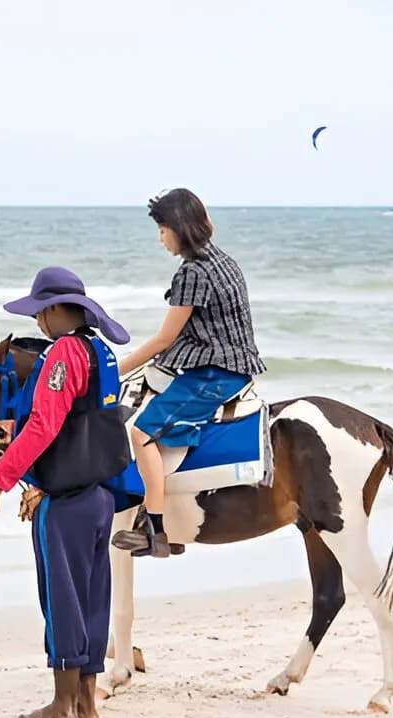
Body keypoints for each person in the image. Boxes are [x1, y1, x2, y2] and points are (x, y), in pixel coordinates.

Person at [0, 266, 135, 718]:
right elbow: (83, 418)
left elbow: (45, 425)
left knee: (61, 599)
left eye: (39, 313)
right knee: (92, 599)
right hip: (101, 494)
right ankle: (87, 706)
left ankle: (62, 706)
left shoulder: (63, 353)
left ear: (53, 310)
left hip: (67, 499)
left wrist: (0, 478)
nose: (37, 322)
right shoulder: (99, 351)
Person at [111, 188, 266, 558]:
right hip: (237, 363)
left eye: (163, 230)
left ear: (179, 228)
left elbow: (164, 339)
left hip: (216, 374)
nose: (160, 238)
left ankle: (157, 531)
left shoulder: (192, 273)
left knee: (141, 433)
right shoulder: (223, 260)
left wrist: (113, 372)